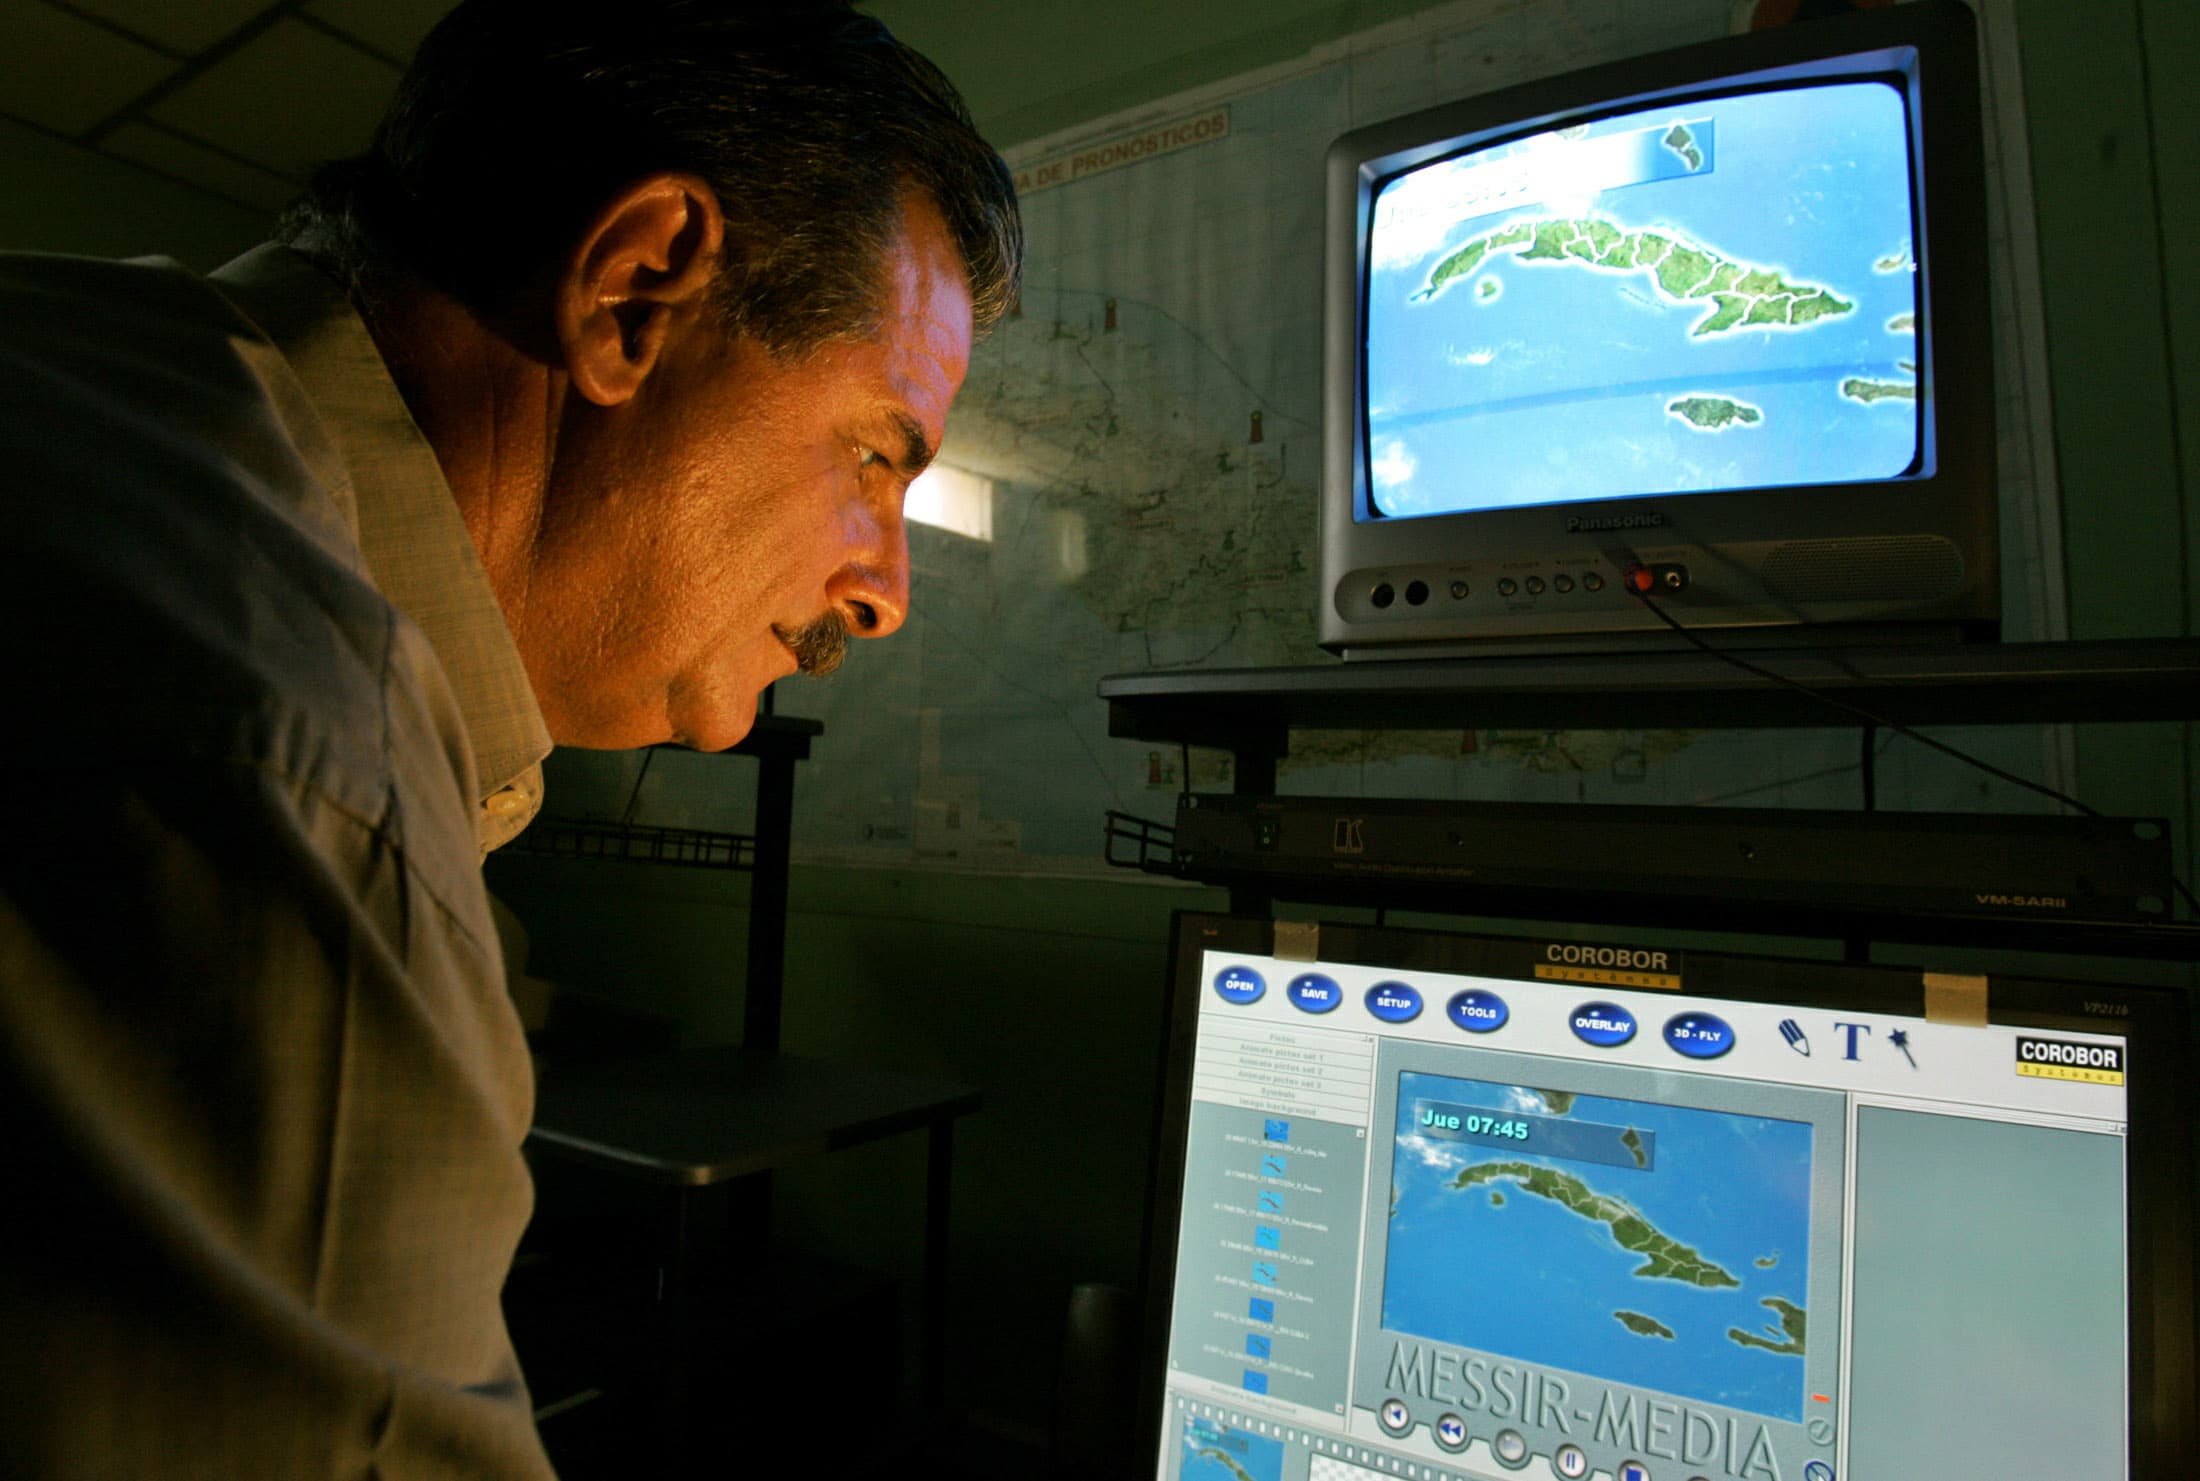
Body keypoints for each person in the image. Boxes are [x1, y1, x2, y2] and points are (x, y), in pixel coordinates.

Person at [0, 1, 1020, 1474]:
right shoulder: (314, 788)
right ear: (633, 291)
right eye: (875, 452)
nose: (884, 591)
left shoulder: (99, 373)